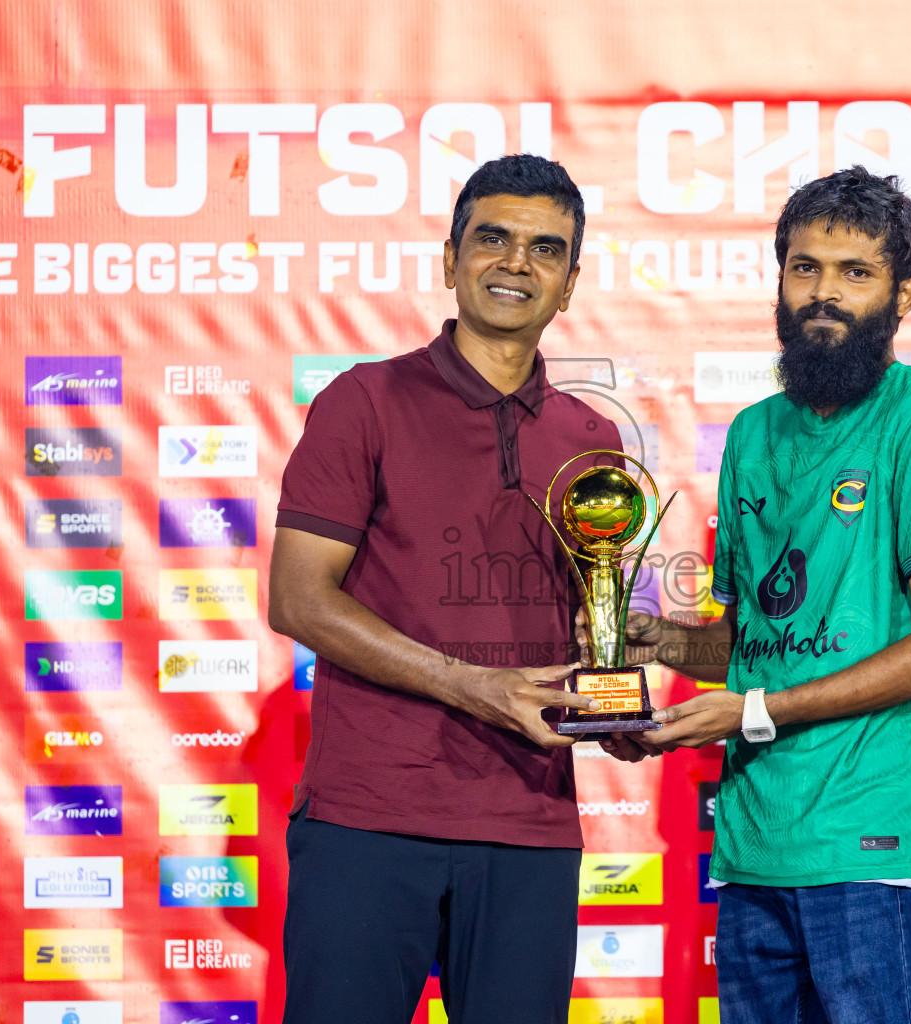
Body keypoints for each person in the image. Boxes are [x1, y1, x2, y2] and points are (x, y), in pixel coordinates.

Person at [606, 166, 911, 1023]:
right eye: (805, 267)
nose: (825, 292)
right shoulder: (750, 432)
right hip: (750, 854)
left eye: (857, 272)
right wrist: (658, 648)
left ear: (904, 294)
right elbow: (752, 644)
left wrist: (749, 713)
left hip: (868, 851)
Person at [269, 154, 623, 1024]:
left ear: (571, 283)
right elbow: (299, 600)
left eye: (546, 249)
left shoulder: (593, 434)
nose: (516, 263)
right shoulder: (366, 400)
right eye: (492, 238)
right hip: (370, 816)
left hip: (530, 821)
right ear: (450, 257)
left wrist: (618, 683)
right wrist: (470, 684)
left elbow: (592, 617)